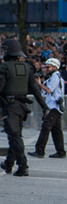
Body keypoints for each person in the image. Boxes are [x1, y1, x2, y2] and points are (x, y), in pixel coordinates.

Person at [0, 39, 48, 176]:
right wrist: (44, 106)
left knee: (14, 135)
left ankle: (23, 165)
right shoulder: (26, 67)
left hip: (10, 105)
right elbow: (35, 89)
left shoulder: (5, 67)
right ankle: (9, 163)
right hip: (22, 106)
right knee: (15, 135)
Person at [30, 57, 67, 160]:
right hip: (55, 107)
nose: (46, 68)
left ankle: (40, 150)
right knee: (56, 130)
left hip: (54, 107)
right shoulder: (53, 76)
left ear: (55, 67)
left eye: (48, 66)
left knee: (46, 127)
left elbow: (49, 90)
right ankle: (60, 151)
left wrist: (39, 84)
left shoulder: (55, 76)